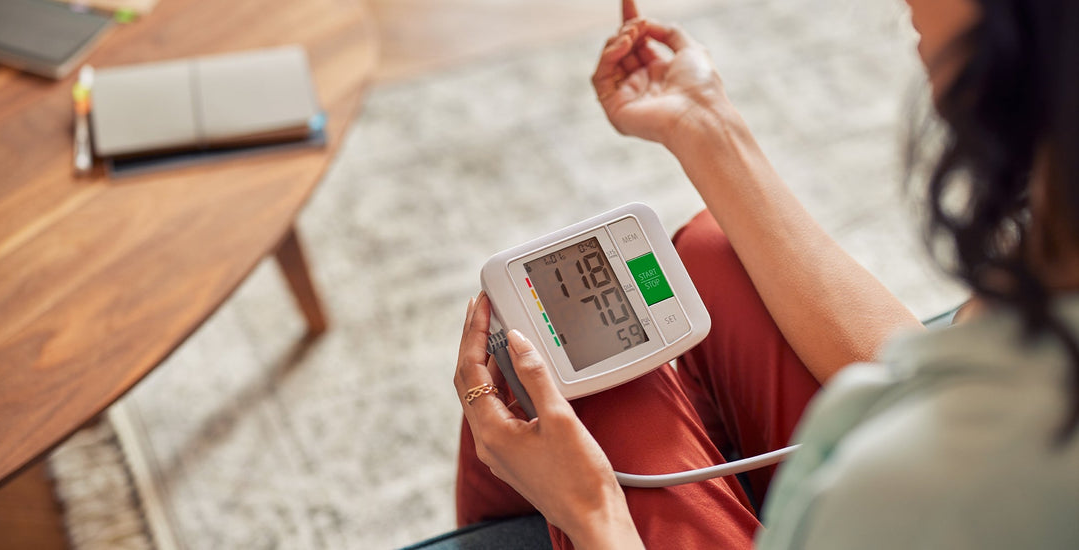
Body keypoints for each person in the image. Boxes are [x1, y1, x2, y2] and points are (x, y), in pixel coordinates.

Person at [452, 0, 1079, 547]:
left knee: (593, 399)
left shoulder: (915, 494)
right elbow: (930, 385)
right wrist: (702, 121)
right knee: (712, 253)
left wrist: (591, 515)